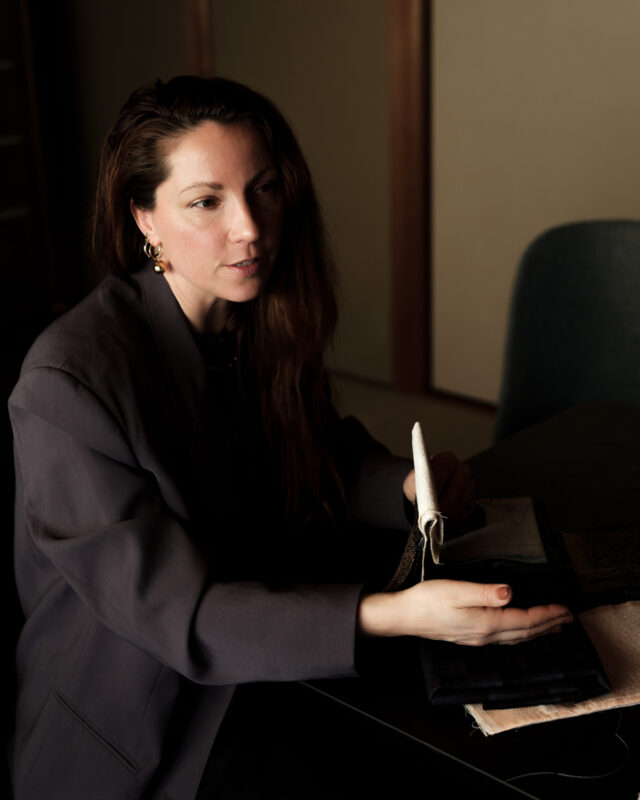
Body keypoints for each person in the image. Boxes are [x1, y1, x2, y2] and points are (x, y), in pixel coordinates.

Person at [8, 76, 573, 800]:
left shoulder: (251, 316)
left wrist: (408, 485)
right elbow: (180, 614)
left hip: (273, 652)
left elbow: (316, 450)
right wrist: (391, 616)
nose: (250, 227)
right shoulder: (69, 381)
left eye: (265, 189)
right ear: (144, 218)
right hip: (142, 719)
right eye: (206, 201)